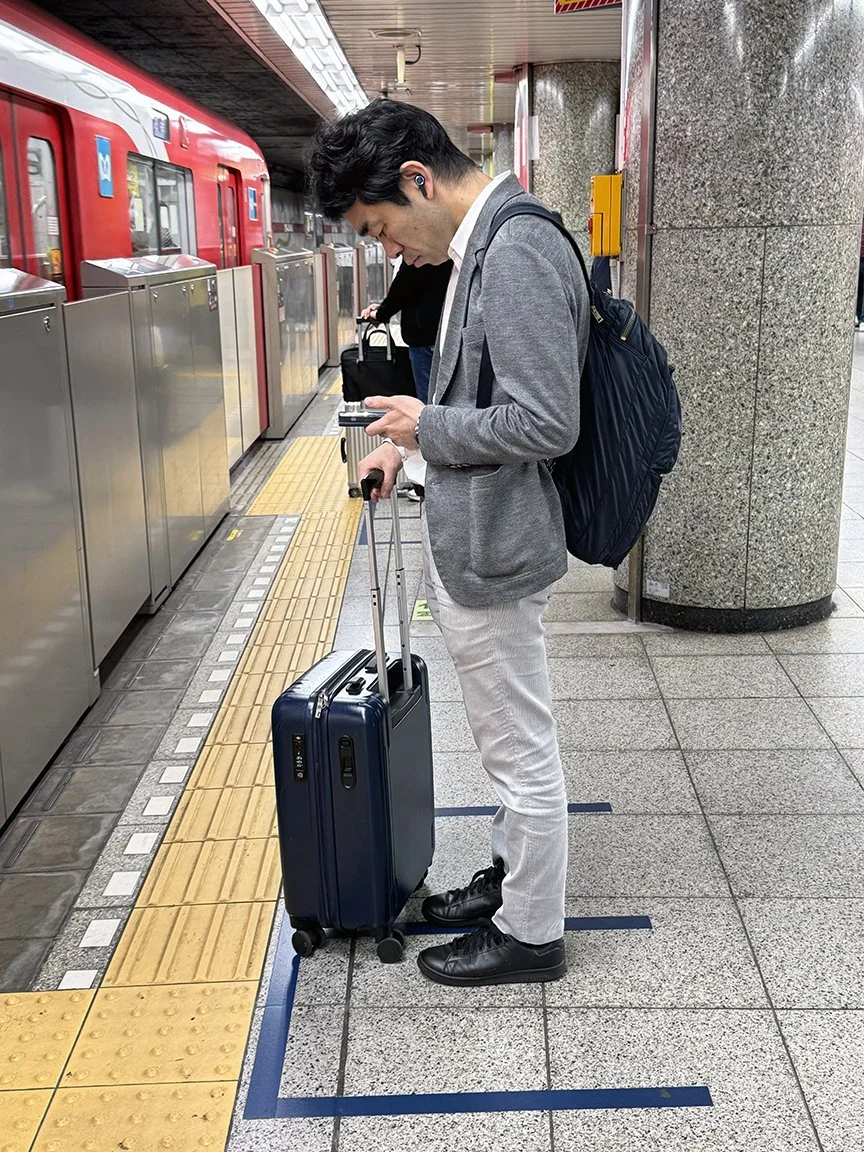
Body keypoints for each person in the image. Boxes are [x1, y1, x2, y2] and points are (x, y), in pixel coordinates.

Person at [308, 100, 589, 987]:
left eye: (382, 228)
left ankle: (532, 933)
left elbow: (547, 422)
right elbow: (482, 392)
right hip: (478, 528)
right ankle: (512, 881)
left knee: (518, 747)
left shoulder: (515, 250)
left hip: (498, 544)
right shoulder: (484, 244)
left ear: (417, 181)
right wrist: (405, 445)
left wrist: (429, 427)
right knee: (507, 736)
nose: (391, 252)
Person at [362, 258, 452, 404]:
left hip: (424, 335)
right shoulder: (446, 248)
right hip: (449, 333)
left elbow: (403, 287)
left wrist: (381, 314)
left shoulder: (416, 250)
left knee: (428, 400)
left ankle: (430, 426)